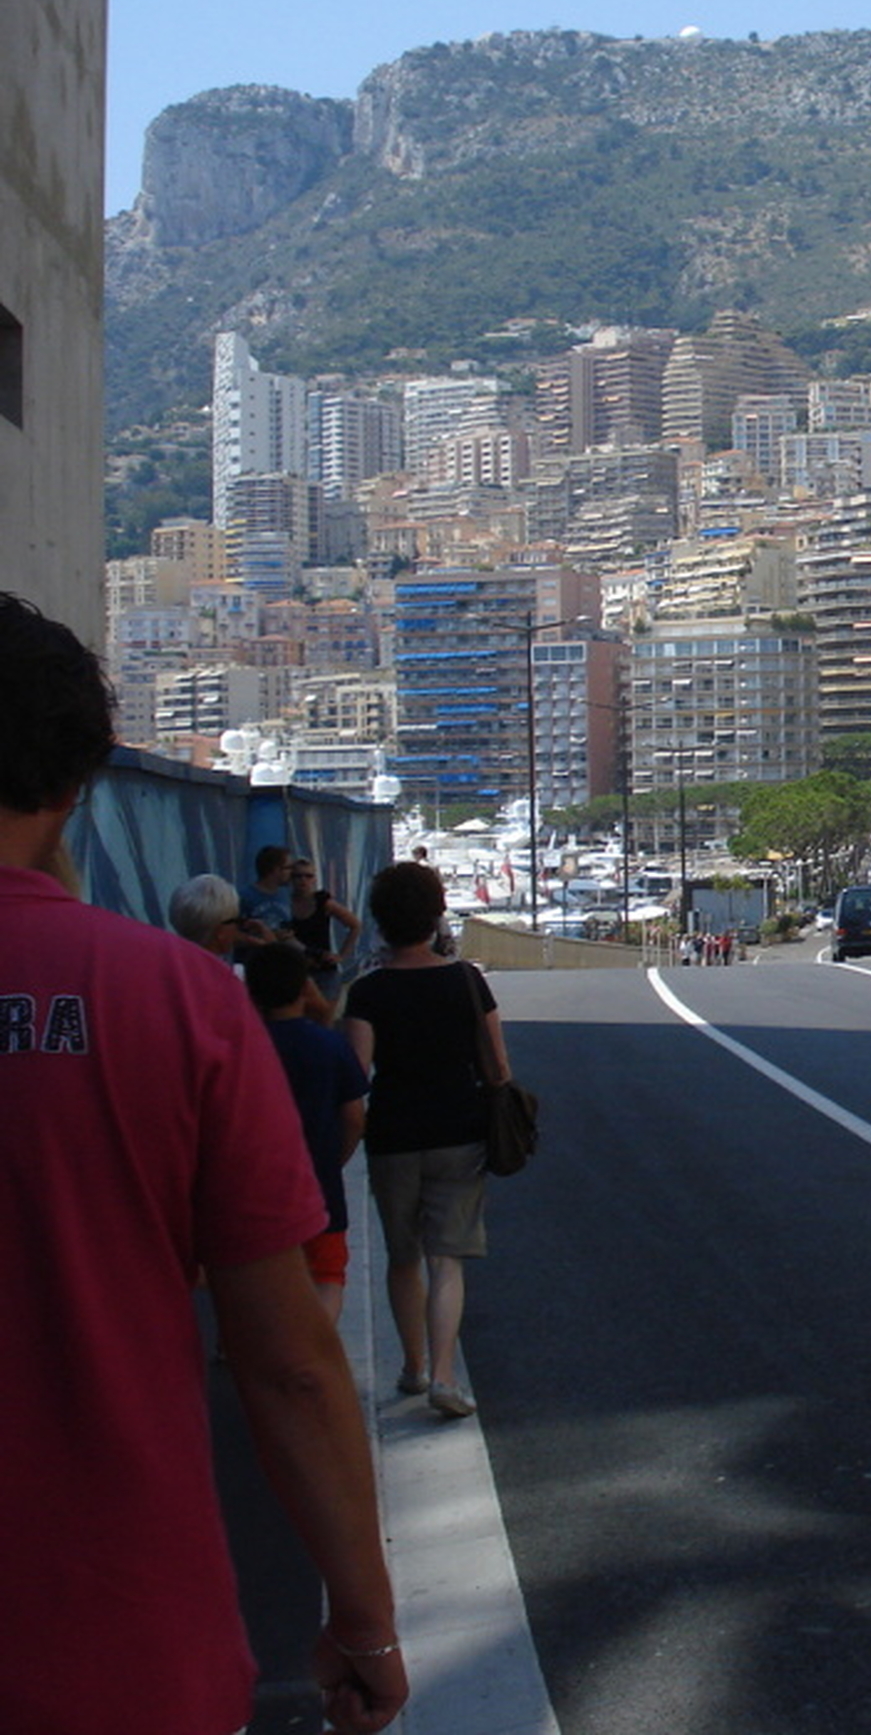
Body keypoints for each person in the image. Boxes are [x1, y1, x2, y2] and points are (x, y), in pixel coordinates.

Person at [0, 592, 406, 1735]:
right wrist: (362, 1621)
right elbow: (287, 1367)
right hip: (118, 1653)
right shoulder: (175, 1002)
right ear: (78, 788)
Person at [341, 861, 505, 1421]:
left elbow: (356, 1072)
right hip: (458, 1130)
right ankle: (443, 1376)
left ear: (381, 921)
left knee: (402, 1257)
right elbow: (498, 1069)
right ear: (436, 916)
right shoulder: (466, 981)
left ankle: (411, 1367)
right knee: (448, 1259)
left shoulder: (368, 993)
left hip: (393, 1134)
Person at [247, 943, 371, 1326]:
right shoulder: (329, 1044)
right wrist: (336, 1158)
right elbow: (354, 1116)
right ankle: (316, 1342)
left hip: (257, 1185)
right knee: (328, 1275)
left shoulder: (243, 1046)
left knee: (261, 1276)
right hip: (320, 1183)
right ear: (305, 988)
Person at [287, 857, 363, 1005]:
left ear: (314, 879)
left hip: (323, 971)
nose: (303, 880)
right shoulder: (284, 904)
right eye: (298, 876)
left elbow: (355, 925)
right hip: (296, 970)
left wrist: (341, 955)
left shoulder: (323, 902)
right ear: (291, 879)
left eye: (308, 876)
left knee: (324, 1019)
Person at [169, 870, 246, 960]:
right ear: (220, 932)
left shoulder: (162, 965)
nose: (237, 928)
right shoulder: (221, 973)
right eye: (236, 920)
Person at [238, 844, 294, 945]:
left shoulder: (285, 896)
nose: (291, 872)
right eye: (288, 868)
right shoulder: (245, 897)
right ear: (275, 870)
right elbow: (235, 933)